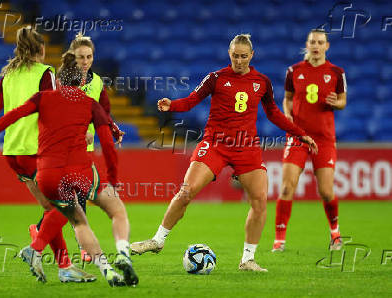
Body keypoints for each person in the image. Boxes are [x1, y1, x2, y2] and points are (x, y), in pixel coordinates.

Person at [130, 34, 318, 272]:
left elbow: (273, 113)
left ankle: (247, 259)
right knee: (186, 192)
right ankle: (157, 240)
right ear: (229, 54)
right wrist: (172, 105)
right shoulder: (216, 78)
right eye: (235, 56)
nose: (239, 61)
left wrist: (299, 133)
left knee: (260, 200)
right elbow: (191, 100)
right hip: (215, 144)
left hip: (247, 147)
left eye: (243, 56)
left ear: (251, 55)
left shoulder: (262, 82)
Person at [0, 53, 138, 287]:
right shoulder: (90, 103)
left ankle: (104, 271)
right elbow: (107, 145)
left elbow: (11, 116)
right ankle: (122, 255)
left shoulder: (42, 98)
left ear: (60, 80)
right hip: (79, 171)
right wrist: (113, 179)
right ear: (80, 82)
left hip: (47, 174)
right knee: (115, 210)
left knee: (76, 220)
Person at [0, 26, 95, 282]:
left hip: (12, 152)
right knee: (67, 205)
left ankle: (64, 267)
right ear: (41, 49)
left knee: (52, 208)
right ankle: (36, 246)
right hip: (36, 151)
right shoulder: (45, 73)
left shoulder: (9, 76)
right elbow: (55, 105)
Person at [29, 33, 124, 263]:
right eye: (81, 57)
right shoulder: (60, 81)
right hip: (61, 150)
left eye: (89, 56)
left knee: (77, 200)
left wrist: (112, 128)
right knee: (67, 203)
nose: (85, 61)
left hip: (83, 150)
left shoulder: (97, 81)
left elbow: (103, 110)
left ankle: (42, 235)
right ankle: (57, 241)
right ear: (73, 57)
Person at [272, 29, 347, 252]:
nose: (316, 45)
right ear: (307, 44)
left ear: (327, 46)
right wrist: (287, 114)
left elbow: (343, 101)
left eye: (320, 42)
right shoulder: (294, 71)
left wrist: (336, 102)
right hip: (298, 137)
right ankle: (279, 239)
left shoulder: (336, 72)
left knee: (325, 191)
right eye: (312, 41)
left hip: (324, 139)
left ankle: (335, 233)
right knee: (287, 187)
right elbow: (286, 99)